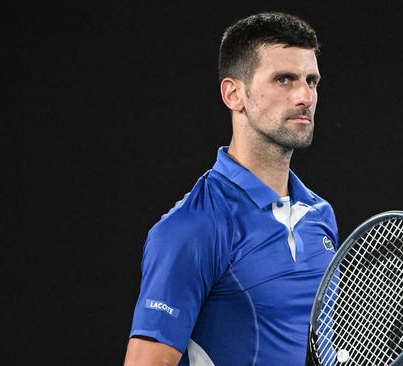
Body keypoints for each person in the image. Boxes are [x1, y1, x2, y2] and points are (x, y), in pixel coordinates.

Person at [124, 12, 338, 366]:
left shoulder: (321, 217)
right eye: (284, 79)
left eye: (311, 81)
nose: (304, 96)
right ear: (233, 94)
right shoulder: (191, 228)